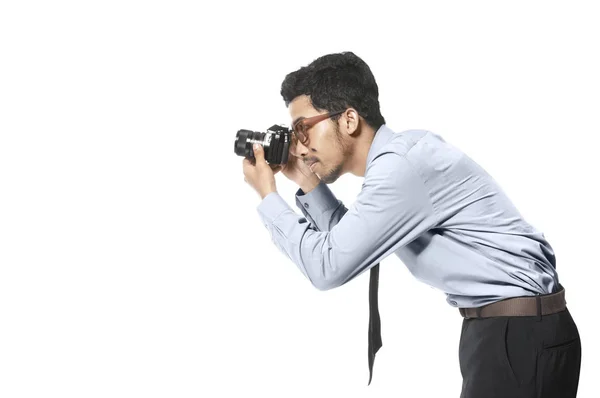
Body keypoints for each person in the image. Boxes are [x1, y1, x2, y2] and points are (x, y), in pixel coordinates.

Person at [241, 51, 581, 397]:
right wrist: (306, 182)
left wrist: (269, 197)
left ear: (348, 120)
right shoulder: (396, 165)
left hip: (520, 332)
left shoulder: (401, 167)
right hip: (505, 330)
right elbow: (351, 242)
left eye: (302, 129)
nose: (299, 146)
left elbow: (328, 266)